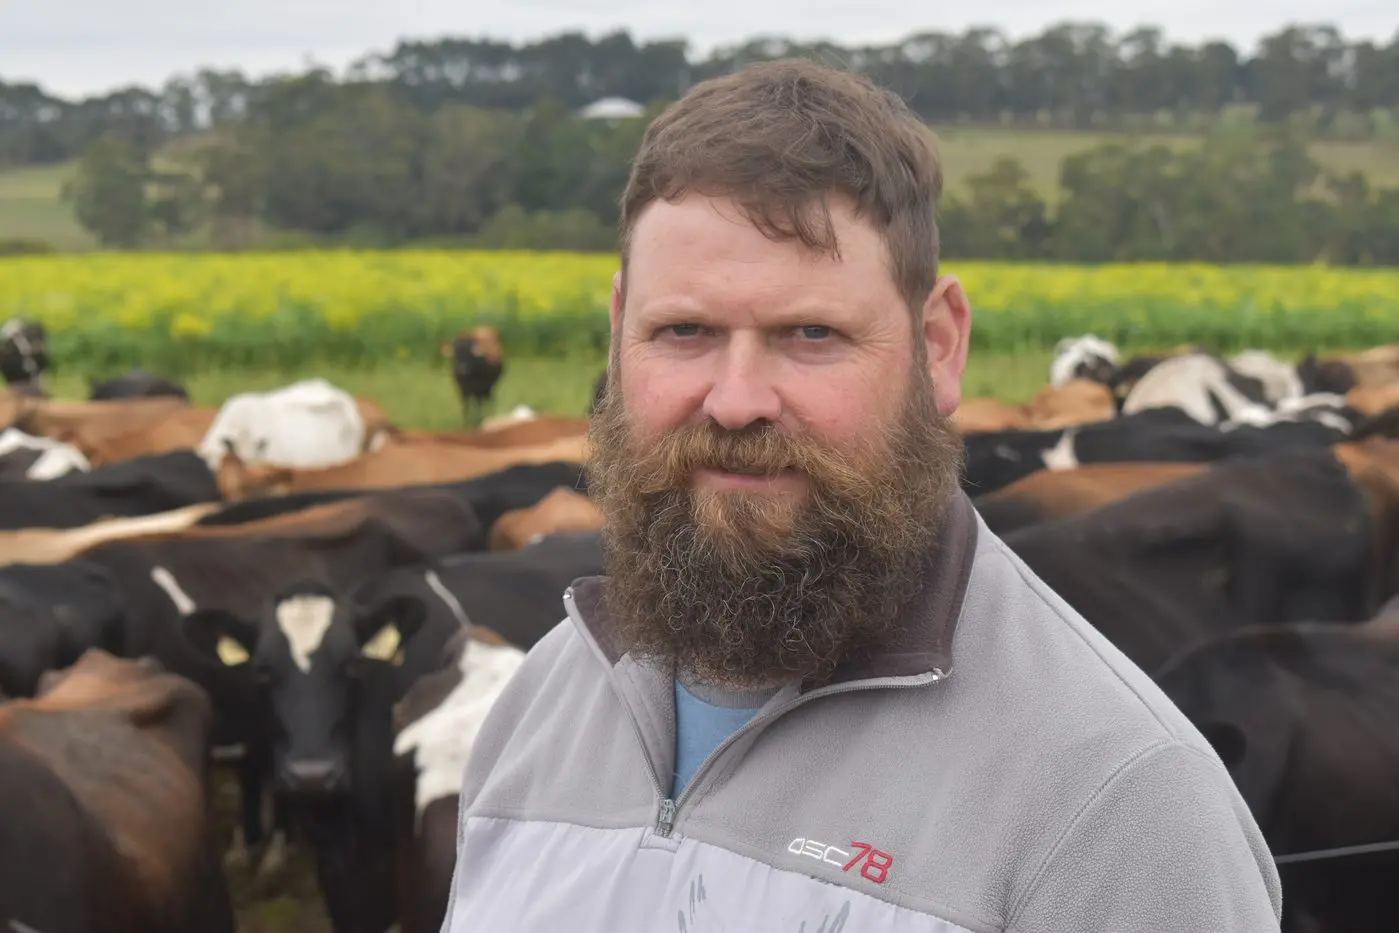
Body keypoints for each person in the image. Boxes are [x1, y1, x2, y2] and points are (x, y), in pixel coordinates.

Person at [436, 58, 1284, 932]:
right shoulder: (540, 705)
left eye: (811, 333)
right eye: (681, 331)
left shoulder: (1115, 805)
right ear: (618, 333)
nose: (734, 400)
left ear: (937, 346)